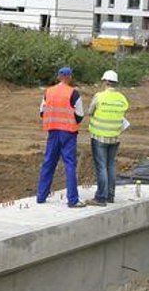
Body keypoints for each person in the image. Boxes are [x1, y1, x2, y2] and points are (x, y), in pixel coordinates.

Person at [37, 66, 86, 208]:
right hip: (68, 133)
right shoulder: (73, 93)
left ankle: (41, 196)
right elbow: (80, 115)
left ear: (58, 77)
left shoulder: (48, 92)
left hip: (53, 132)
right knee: (70, 164)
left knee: (48, 163)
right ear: (70, 77)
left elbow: (42, 112)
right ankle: (73, 200)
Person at [87, 69, 129, 206]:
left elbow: (90, 111)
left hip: (99, 137)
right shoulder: (122, 99)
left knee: (101, 167)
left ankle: (101, 197)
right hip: (115, 137)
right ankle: (110, 195)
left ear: (105, 81)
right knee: (110, 165)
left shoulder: (99, 96)